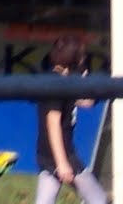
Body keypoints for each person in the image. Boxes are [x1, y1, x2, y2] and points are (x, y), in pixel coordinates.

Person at [35, 34, 106, 204]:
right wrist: (62, 163)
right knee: (98, 199)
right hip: (61, 154)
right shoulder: (56, 85)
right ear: (72, 57)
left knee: (44, 200)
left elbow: (87, 102)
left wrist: (83, 80)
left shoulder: (64, 81)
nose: (84, 58)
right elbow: (52, 123)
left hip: (48, 154)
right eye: (81, 55)